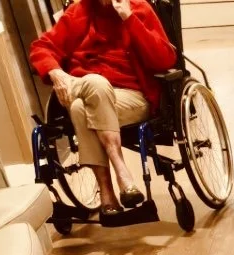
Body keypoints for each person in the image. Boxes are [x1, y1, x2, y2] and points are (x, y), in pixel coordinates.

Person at [28, 0, 178, 212]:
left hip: (131, 96)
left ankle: (107, 188)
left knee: (82, 105)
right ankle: (120, 179)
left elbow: (165, 59)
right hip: (89, 92)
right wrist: (55, 72)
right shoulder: (80, 11)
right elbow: (41, 47)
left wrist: (130, 19)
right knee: (89, 92)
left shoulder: (137, 7)